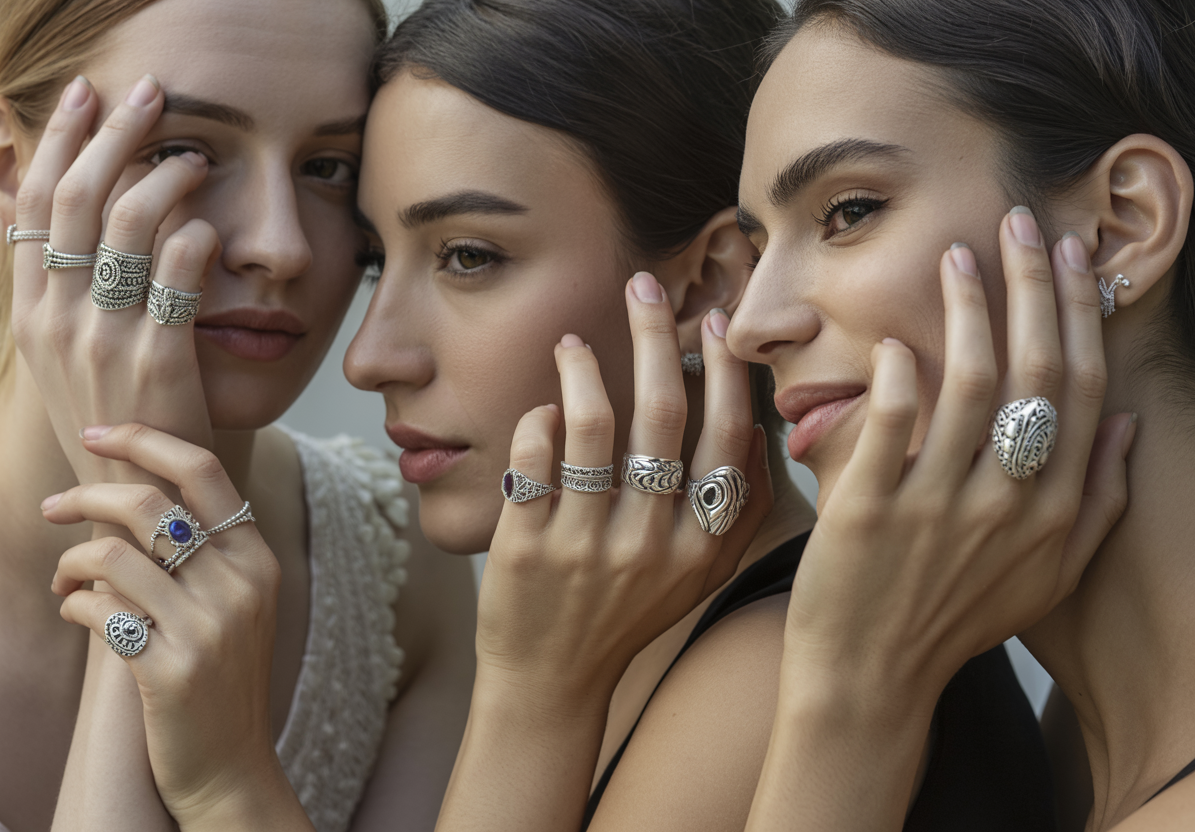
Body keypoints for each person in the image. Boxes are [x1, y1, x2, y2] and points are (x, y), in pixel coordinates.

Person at [41, 0, 1092, 829]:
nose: (368, 357)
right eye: (373, 261)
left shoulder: (770, 681)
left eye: (467, 257)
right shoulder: (654, 645)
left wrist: (231, 784)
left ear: (706, 285)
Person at [727, 0, 1195, 829]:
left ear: (1121, 227)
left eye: (848, 211)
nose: (749, 326)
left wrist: (850, 700)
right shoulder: (1055, 772)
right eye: (756, 254)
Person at [0, 2, 475, 831]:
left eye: (328, 167)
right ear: (13, 171)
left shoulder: (395, 564)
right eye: (179, 153)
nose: (281, 246)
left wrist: (148, 546)